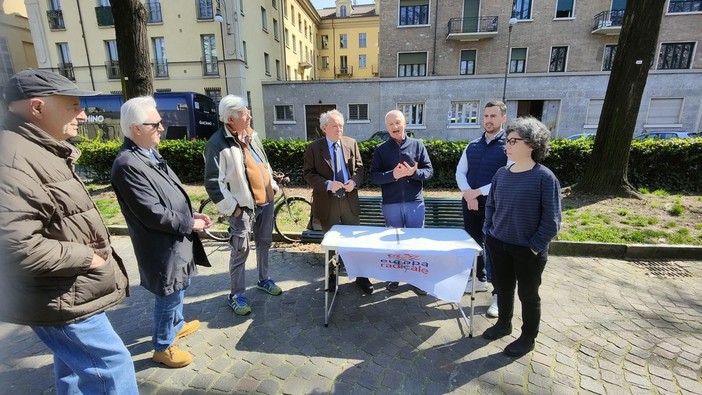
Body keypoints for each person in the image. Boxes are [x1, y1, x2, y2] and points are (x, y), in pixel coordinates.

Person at [0, 69, 138, 394]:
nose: (83, 114)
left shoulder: (37, 147)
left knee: (74, 368)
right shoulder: (13, 158)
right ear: (37, 107)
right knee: (112, 367)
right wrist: (88, 257)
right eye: (73, 105)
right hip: (59, 296)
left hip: (62, 292)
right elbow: (17, 247)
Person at [110, 96, 212, 368]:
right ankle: (162, 346)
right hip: (160, 245)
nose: (161, 128)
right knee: (169, 294)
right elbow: (151, 212)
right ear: (135, 129)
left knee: (179, 286)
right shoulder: (128, 164)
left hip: (174, 240)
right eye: (154, 124)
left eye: (160, 122)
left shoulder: (148, 154)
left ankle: (176, 325)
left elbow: (168, 196)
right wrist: (189, 223)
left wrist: (191, 216)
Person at [481, 116, 561, 357]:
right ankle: (503, 324)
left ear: (532, 145)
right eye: (508, 140)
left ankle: (528, 338)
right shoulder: (501, 174)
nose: (508, 144)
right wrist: (489, 232)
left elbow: (552, 221)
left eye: (513, 140)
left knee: (528, 295)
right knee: (503, 288)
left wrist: (534, 247)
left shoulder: (545, 178)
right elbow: (491, 206)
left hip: (528, 250)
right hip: (498, 244)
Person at [204, 94, 282, 316]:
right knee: (240, 252)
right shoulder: (216, 144)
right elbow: (213, 184)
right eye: (244, 113)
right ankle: (236, 294)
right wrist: (234, 209)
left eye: (247, 111)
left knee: (265, 243)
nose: (249, 115)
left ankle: (263, 279)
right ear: (230, 119)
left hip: (265, 203)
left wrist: (272, 187)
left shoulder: (251, 136)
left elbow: (264, 165)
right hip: (243, 209)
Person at [303, 109, 372, 294]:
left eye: (341, 125)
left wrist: (354, 182)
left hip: (349, 201)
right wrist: (327, 184)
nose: (339, 129)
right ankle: (332, 276)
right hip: (328, 202)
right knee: (332, 244)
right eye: (335, 126)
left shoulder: (351, 143)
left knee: (355, 242)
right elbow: (308, 174)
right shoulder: (314, 148)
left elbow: (360, 168)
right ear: (324, 128)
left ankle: (361, 276)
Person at [370, 110, 433, 294]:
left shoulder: (417, 145)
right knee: (394, 243)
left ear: (404, 123)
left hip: (415, 203)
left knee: (415, 243)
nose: (395, 127)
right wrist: (393, 175)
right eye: (390, 124)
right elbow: (373, 177)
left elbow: (429, 172)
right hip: (391, 204)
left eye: (397, 122)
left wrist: (414, 173)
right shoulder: (381, 150)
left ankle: (417, 279)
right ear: (387, 128)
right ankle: (394, 276)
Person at [455, 101, 509, 319]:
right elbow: (460, 172)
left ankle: (498, 294)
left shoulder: (509, 145)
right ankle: (478, 279)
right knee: (474, 245)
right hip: (471, 204)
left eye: (493, 116)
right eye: (486, 116)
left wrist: (476, 192)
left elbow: (505, 176)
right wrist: (469, 194)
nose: (488, 120)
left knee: (495, 250)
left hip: (495, 206)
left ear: (503, 118)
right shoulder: (473, 145)